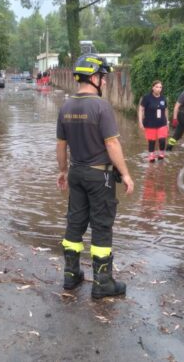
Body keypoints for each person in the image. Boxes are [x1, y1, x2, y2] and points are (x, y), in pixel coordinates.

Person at [56, 53, 135, 299]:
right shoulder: (101, 107)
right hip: (99, 176)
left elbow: (61, 145)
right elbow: (112, 145)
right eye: (103, 77)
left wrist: (62, 170)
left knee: (75, 222)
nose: (105, 81)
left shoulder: (66, 107)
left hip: (76, 173)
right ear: (93, 78)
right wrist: (126, 174)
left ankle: (71, 275)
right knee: (101, 226)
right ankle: (102, 282)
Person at [138, 80, 169, 163]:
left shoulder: (163, 98)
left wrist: (167, 121)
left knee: (162, 140)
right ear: (153, 88)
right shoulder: (147, 98)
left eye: (160, 87)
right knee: (151, 141)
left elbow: (165, 110)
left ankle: (161, 154)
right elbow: (141, 109)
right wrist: (140, 121)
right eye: (157, 87)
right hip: (150, 123)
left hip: (162, 123)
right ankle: (151, 155)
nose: (159, 89)